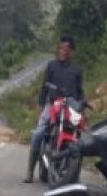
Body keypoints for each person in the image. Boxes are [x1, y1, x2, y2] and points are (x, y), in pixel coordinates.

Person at [23, 35, 84, 183]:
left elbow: (80, 91)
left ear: (72, 52)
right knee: (38, 134)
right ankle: (30, 171)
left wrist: (82, 105)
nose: (62, 52)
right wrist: (41, 107)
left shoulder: (77, 70)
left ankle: (74, 174)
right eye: (60, 48)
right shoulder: (52, 66)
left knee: (78, 138)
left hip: (69, 107)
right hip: (52, 105)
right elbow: (44, 87)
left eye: (66, 49)